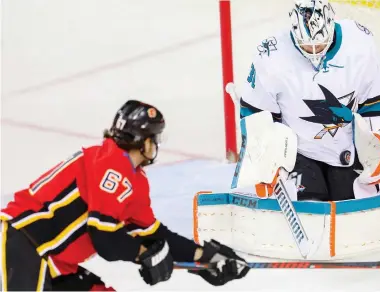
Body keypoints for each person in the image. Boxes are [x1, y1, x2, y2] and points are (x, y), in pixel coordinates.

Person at [0, 100, 250, 291]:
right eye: (155, 138)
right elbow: (104, 238)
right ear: (143, 141)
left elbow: (154, 236)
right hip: (21, 245)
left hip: (54, 263)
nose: (156, 145)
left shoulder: (132, 180)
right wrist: (143, 254)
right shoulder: (110, 164)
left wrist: (205, 257)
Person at [238, 0, 380, 202]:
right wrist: (266, 160)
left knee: (350, 207)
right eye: (307, 45)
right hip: (297, 154)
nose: (315, 52)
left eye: (320, 44)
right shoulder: (271, 56)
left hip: (346, 150)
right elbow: (255, 114)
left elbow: (377, 104)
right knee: (311, 210)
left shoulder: (360, 45)